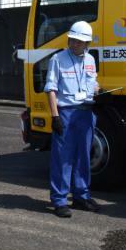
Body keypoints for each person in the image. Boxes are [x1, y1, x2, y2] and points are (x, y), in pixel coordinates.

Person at [44, 21, 100, 218]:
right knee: (63, 158)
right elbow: (51, 89)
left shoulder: (91, 60)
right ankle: (59, 200)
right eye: (73, 40)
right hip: (66, 113)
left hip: (86, 113)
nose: (75, 44)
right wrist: (55, 116)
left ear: (87, 44)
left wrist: (97, 90)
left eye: (80, 41)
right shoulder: (57, 59)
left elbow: (93, 83)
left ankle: (81, 196)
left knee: (84, 156)